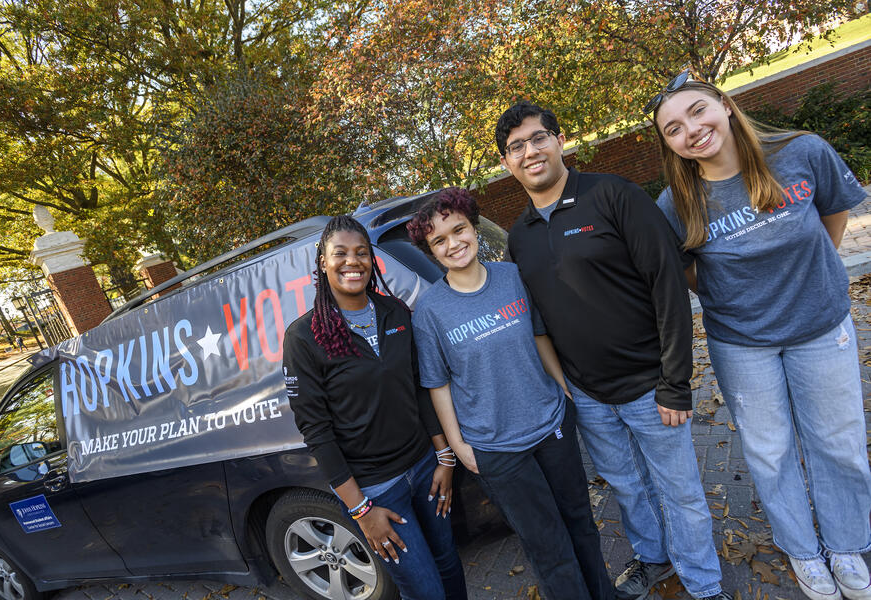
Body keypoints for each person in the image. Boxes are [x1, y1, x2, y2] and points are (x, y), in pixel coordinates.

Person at [648, 72, 871, 600]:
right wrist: (735, 294)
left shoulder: (801, 153)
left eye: (697, 112)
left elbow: (832, 215)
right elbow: (682, 271)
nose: (692, 131)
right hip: (743, 343)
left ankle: (845, 545)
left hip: (820, 325)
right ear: (670, 145)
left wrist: (811, 271)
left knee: (838, 445)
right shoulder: (674, 203)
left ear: (724, 106)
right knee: (771, 452)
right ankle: (803, 550)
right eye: (674, 129)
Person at [495, 101, 730, 600]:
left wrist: (675, 381)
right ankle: (655, 560)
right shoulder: (519, 236)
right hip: (591, 397)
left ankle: (704, 586)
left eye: (539, 138)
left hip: (652, 387)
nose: (530, 152)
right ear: (506, 163)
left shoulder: (613, 195)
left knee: (681, 493)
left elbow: (668, 285)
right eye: (517, 147)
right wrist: (568, 388)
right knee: (628, 489)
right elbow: (538, 319)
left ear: (560, 141)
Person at [406, 188, 615, 600]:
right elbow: (437, 383)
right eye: (439, 240)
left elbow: (539, 335)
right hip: (497, 447)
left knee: (580, 524)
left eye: (458, 229)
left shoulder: (512, 277)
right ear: (430, 251)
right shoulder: (430, 311)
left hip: (550, 423)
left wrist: (564, 390)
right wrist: (458, 445)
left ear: (473, 227)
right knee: (547, 544)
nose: (453, 244)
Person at [281, 215, 467, 600]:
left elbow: (418, 388)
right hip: (378, 490)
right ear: (322, 262)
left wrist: (444, 457)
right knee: (425, 589)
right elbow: (317, 433)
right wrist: (362, 512)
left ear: (372, 260)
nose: (353, 261)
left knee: (449, 563)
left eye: (361, 253)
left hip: (426, 468)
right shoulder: (303, 337)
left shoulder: (394, 313)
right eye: (341, 253)